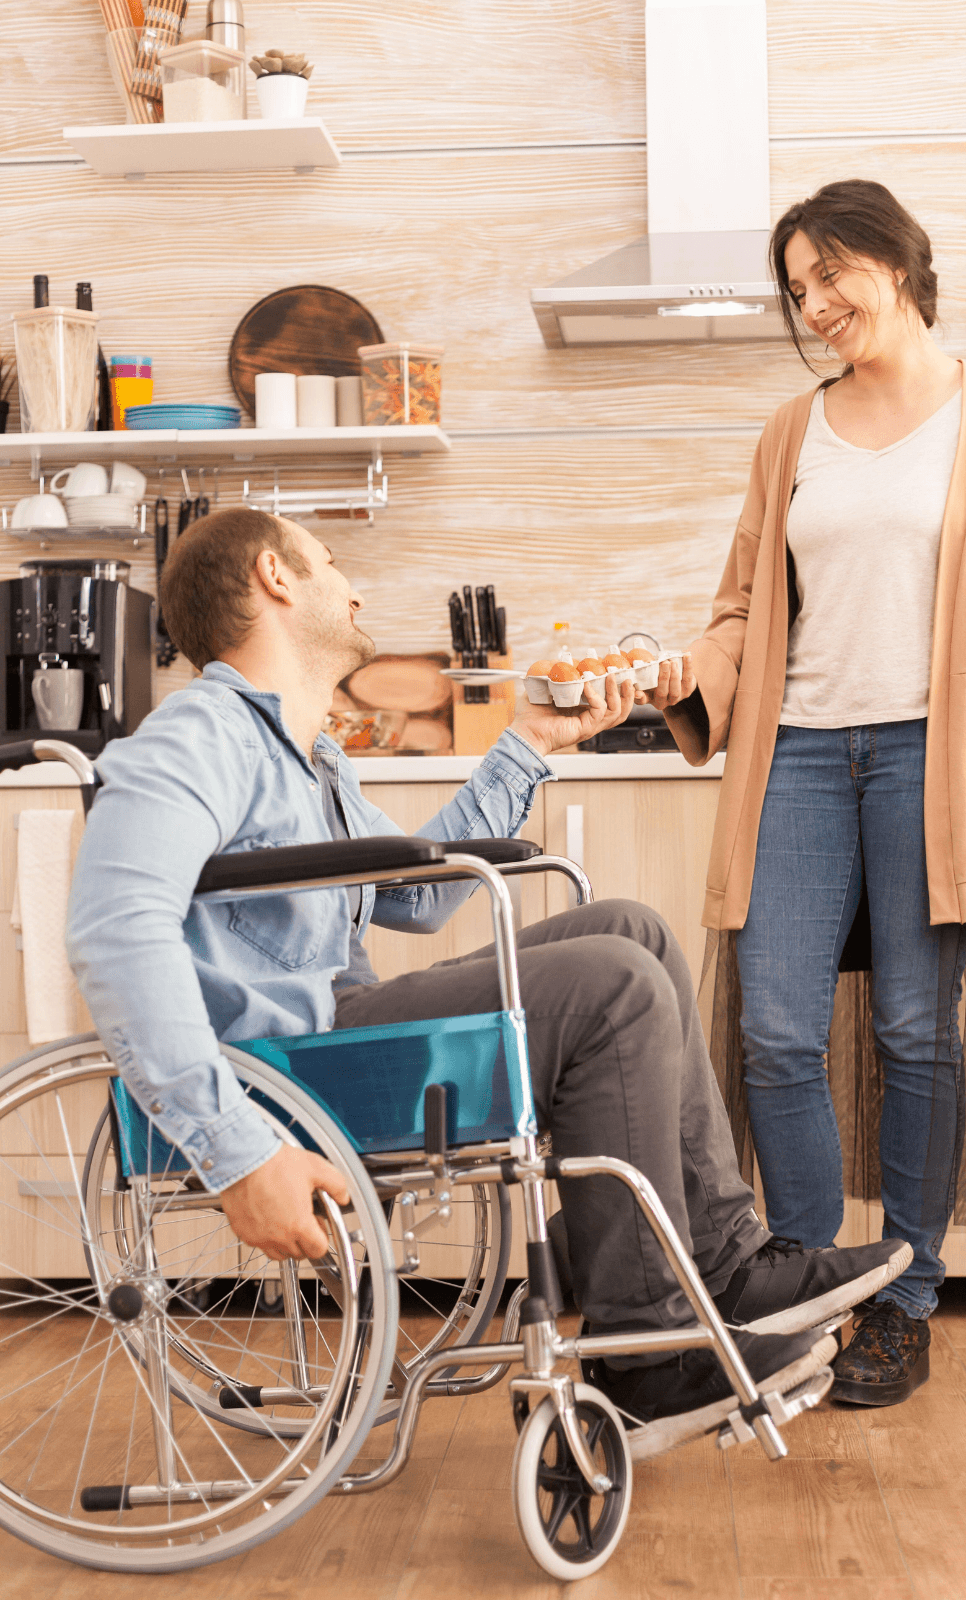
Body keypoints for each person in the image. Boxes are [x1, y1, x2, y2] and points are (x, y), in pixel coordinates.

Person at [66, 506, 910, 1443]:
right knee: (614, 985)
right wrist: (238, 1153)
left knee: (636, 932)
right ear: (274, 576)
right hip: (287, 1081)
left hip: (335, 1036)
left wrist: (533, 744)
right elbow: (113, 927)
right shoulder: (201, 737)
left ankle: (723, 1265)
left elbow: (417, 897)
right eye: (331, 560)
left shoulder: (311, 756)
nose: (352, 583)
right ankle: (646, 1350)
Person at [662, 178, 966, 1407]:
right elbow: (742, 609)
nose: (817, 303)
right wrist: (684, 667)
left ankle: (904, 1299)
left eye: (830, 274)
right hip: (795, 755)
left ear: (896, 260)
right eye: (798, 290)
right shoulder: (789, 433)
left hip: (934, 757)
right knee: (777, 1032)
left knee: (912, 1031)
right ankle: (806, 1291)